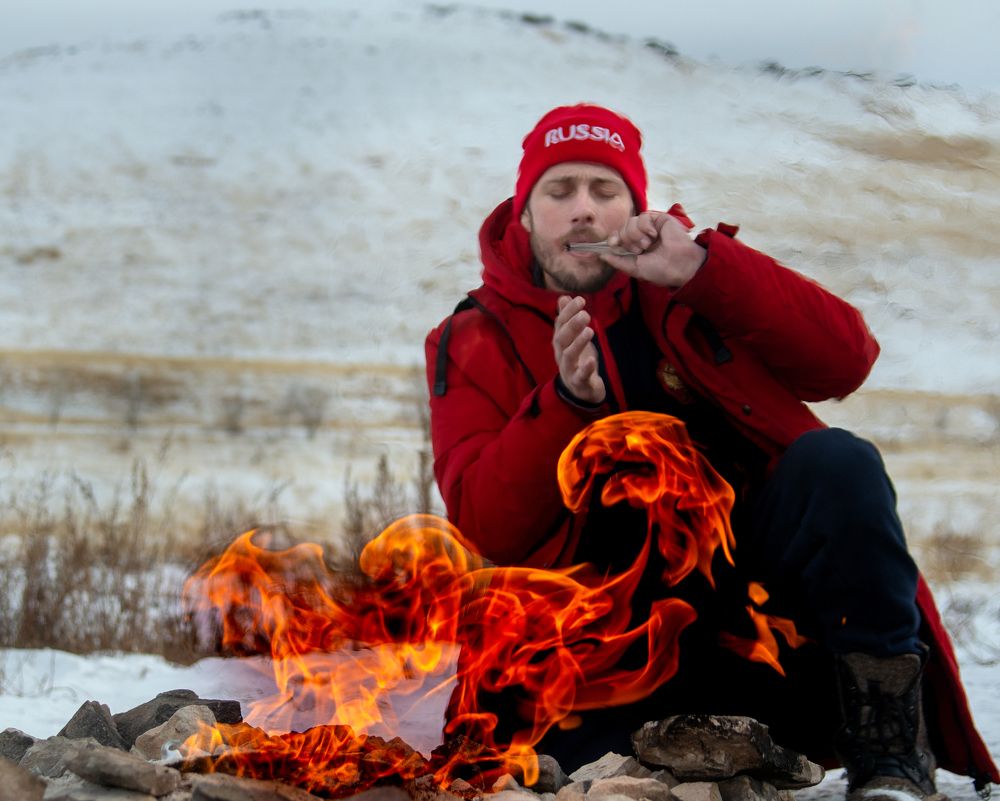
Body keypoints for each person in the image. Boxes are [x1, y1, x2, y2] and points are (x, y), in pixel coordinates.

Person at [424, 103, 998, 801]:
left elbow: (846, 360)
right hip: (603, 658)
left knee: (839, 463)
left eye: (604, 191)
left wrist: (702, 267)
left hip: (760, 633)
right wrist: (563, 406)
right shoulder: (474, 335)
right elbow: (486, 522)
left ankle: (888, 755)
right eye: (560, 190)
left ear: (634, 206)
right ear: (523, 214)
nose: (582, 210)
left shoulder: (686, 284)